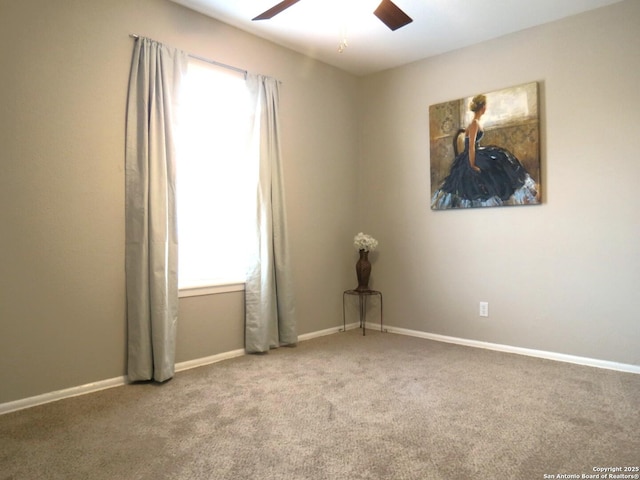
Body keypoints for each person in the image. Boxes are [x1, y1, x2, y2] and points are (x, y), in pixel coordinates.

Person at [431, 94, 539, 209]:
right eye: (485, 106)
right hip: (471, 155)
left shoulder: (476, 122)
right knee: (489, 171)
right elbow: (471, 147)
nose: (485, 108)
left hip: (477, 152)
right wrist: (472, 164)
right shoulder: (474, 124)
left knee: (501, 159)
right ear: (482, 107)